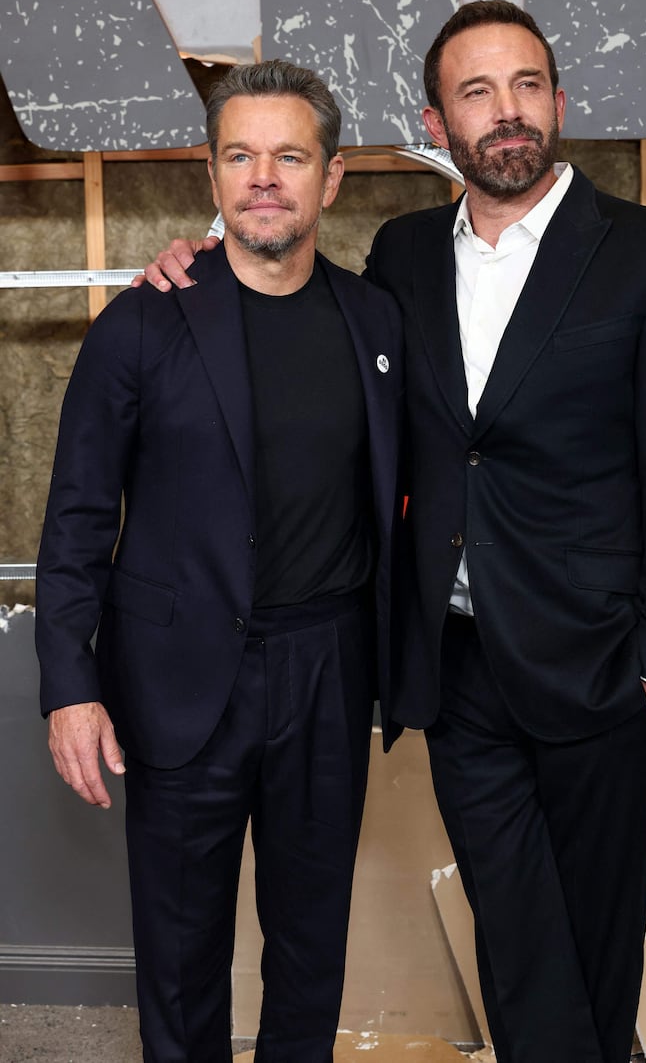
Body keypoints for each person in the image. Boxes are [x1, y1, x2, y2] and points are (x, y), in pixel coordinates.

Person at [139, 1, 646, 1063]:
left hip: (597, 662)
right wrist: (191, 267)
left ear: (556, 100)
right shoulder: (402, 257)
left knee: (593, 943)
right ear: (436, 119)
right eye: (476, 92)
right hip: (454, 667)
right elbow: (304, 324)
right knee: (511, 932)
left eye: (524, 86)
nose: (505, 112)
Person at [35, 61, 404, 1063]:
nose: (263, 178)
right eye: (239, 155)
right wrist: (69, 687)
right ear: (210, 173)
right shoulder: (140, 326)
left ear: (330, 179)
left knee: (307, 947)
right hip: (179, 678)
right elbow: (74, 519)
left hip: (328, 673)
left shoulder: (376, 324)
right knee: (182, 952)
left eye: (290, 155)